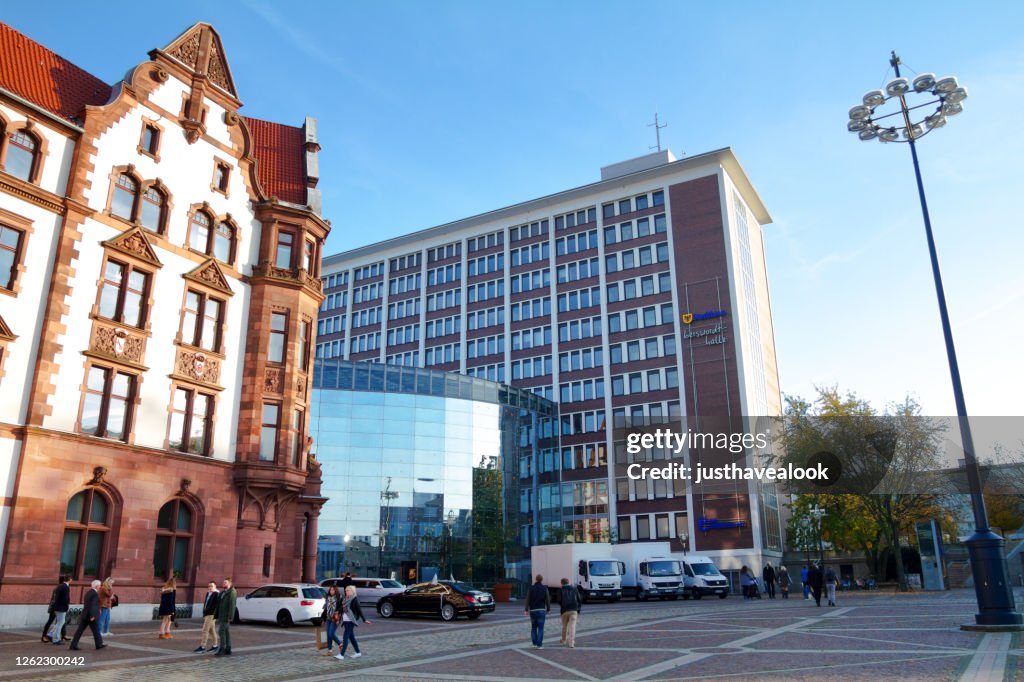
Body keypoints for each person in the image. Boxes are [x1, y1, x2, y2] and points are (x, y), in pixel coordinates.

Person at [69, 579, 106, 651]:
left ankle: (73, 645)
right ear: (97, 586)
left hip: (85, 615)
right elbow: (92, 606)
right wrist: (93, 615)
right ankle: (99, 644)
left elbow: (88, 604)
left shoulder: (88, 592)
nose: (100, 586)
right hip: (90, 616)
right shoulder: (94, 594)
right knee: (96, 630)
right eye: (100, 585)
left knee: (79, 631)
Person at [337, 584, 369, 660]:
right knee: (352, 638)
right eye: (345, 591)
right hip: (345, 621)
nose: (346, 592)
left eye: (348, 590)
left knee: (345, 637)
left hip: (351, 621)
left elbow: (359, 610)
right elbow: (342, 609)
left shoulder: (354, 599)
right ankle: (358, 652)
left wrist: (364, 619)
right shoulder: (345, 599)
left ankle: (342, 655)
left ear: (352, 591)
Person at [524, 574, 550, 649]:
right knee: (541, 628)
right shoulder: (544, 588)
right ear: (542, 579)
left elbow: (527, 599)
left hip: (533, 610)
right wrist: (548, 609)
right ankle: (539, 645)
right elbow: (547, 600)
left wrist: (526, 609)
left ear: (536, 579)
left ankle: (534, 643)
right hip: (541, 609)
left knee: (534, 627)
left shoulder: (531, 588)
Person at [194, 581, 220, 653]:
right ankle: (215, 646)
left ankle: (202, 646)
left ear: (215, 586)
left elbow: (216, 606)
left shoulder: (216, 594)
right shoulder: (208, 593)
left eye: (211, 586)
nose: (210, 587)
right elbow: (206, 604)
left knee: (205, 630)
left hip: (211, 615)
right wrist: (204, 613)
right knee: (211, 631)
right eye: (209, 586)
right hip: (207, 614)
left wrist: (212, 614)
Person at [46, 575, 71, 645]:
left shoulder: (59, 586)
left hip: (57, 607)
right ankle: (55, 639)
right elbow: (65, 599)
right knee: (60, 623)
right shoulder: (65, 587)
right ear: (70, 580)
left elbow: (56, 598)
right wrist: (66, 607)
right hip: (61, 608)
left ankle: (51, 634)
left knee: (60, 622)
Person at [215, 578, 236, 656]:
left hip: (226, 616)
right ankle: (228, 648)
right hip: (222, 615)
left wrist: (230, 616)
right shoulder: (223, 592)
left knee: (221, 631)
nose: (223, 583)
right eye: (223, 582)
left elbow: (232, 605)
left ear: (230, 583)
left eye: (225, 582)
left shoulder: (232, 592)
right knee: (226, 632)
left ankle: (222, 649)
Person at [558, 578, 581, 648]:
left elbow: (559, 600)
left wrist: (562, 605)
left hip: (564, 610)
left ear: (562, 583)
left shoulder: (560, 590)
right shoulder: (574, 589)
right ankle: (571, 642)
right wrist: (578, 609)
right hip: (574, 610)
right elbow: (579, 599)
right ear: (568, 582)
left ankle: (564, 640)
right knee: (572, 626)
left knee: (564, 626)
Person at [322, 585, 342, 657]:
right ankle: (329, 651)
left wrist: (338, 613)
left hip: (335, 618)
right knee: (328, 635)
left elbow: (341, 608)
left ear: (336, 590)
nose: (331, 591)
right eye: (330, 590)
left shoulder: (339, 598)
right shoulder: (327, 598)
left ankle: (340, 644)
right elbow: (325, 608)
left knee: (331, 633)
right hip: (328, 618)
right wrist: (323, 618)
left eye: (333, 590)